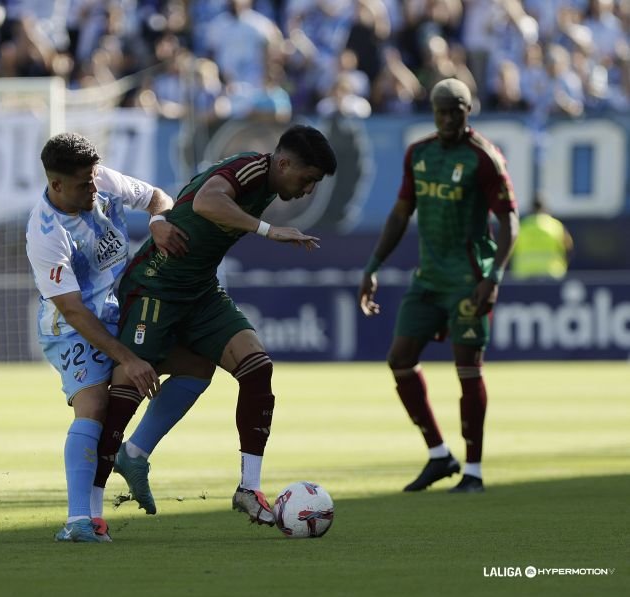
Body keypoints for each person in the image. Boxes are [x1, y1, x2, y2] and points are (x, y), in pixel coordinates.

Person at [93, 124, 338, 526]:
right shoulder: (251, 169)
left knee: (253, 368)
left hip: (200, 291)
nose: (308, 190)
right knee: (127, 390)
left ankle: (245, 488)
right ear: (285, 162)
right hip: (157, 285)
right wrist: (267, 230)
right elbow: (207, 201)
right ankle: (89, 513)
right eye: (307, 179)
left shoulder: (267, 184)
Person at [26, 132, 213, 543]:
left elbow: (159, 198)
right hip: (73, 326)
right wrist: (127, 359)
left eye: (94, 178)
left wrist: (159, 222)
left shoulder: (102, 180)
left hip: (121, 311)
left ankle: (135, 453)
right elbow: (72, 309)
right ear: (56, 185)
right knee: (93, 403)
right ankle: (79, 520)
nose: (93, 189)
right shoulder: (46, 232)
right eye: (82, 184)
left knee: (198, 363)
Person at [358, 78, 520, 494]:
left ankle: (475, 471)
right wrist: (373, 264)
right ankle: (438, 455)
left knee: (467, 371)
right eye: (441, 111)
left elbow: (509, 220)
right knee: (399, 359)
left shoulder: (485, 158)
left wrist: (494, 275)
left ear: (469, 110)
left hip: (469, 281)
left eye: (456, 111)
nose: (448, 118)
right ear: (432, 112)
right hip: (428, 278)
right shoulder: (420, 153)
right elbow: (399, 214)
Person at [510, 193, 572, 280]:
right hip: (551, 273)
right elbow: (568, 248)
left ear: (531, 208)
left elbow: (510, 249)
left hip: (524, 273)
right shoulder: (556, 226)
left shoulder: (522, 227)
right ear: (545, 207)